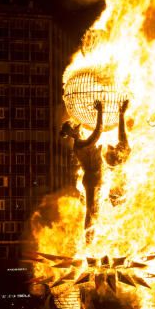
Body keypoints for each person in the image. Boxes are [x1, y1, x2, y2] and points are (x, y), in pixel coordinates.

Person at [60, 100, 104, 242]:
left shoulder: (80, 143)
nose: (77, 125)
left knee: (94, 209)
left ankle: (91, 237)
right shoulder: (81, 144)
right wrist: (100, 111)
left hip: (94, 178)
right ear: (72, 132)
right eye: (74, 126)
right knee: (92, 210)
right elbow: (98, 131)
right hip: (93, 179)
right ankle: (89, 239)